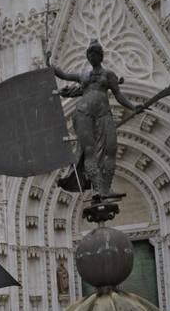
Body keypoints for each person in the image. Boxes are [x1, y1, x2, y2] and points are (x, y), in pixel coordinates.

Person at [48, 40, 143, 200]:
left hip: (103, 113)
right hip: (83, 112)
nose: (92, 56)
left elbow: (118, 94)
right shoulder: (83, 75)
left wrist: (133, 107)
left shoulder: (109, 75)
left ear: (101, 56)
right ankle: (98, 189)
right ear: (87, 56)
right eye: (90, 53)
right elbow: (63, 74)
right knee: (89, 151)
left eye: (95, 53)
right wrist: (49, 64)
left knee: (110, 149)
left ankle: (106, 188)